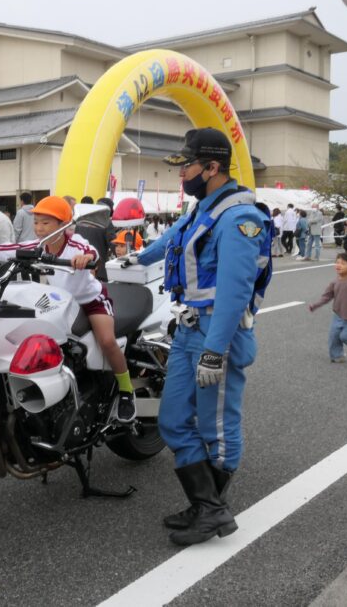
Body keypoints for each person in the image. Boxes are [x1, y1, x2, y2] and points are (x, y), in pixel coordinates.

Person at [130, 127, 271, 546]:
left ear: (211, 168)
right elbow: (164, 246)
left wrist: (215, 351)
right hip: (191, 326)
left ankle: (210, 510)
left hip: (219, 334)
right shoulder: (202, 210)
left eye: (187, 166)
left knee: (218, 429)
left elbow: (234, 291)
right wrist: (119, 259)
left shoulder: (239, 217)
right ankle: (207, 505)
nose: (181, 175)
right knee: (172, 419)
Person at [0, 196, 137, 423]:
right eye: (36, 222)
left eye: (46, 223)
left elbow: (91, 252)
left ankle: (126, 391)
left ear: (63, 223)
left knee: (106, 341)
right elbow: (9, 249)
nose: (38, 228)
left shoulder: (75, 242)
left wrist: (86, 258)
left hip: (90, 301)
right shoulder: (38, 246)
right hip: (60, 303)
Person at [307, 252, 347, 363]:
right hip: (338, 315)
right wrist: (315, 305)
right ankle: (337, 356)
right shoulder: (334, 282)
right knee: (334, 337)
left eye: (343, 263)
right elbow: (326, 297)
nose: (338, 265)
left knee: (346, 337)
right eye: (337, 262)